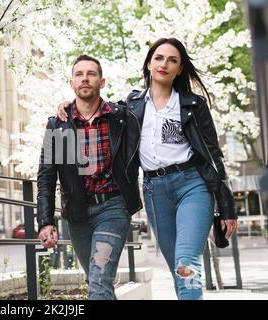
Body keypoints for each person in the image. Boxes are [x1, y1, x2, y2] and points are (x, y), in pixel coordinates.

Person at [57, 38, 238, 300]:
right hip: (155, 192)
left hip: (192, 185)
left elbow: (213, 156)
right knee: (177, 268)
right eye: (159, 58)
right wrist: (67, 105)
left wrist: (227, 205)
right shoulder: (131, 106)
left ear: (179, 69)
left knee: (186, 263)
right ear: (149, 64)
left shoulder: (193, 105)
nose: (164, 64)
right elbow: (95, 108)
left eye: (172, 60)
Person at [37, 54, 142, 300]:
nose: (85, 79)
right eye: (79, 74)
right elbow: (46, 175)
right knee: (97, 280)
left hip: (114, 208)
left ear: (102, 82)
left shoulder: (120, 118)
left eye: (91, 74)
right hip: (77, 213)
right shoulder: (59, 125)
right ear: (71, 82)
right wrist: (46, 221)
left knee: (99, 279)